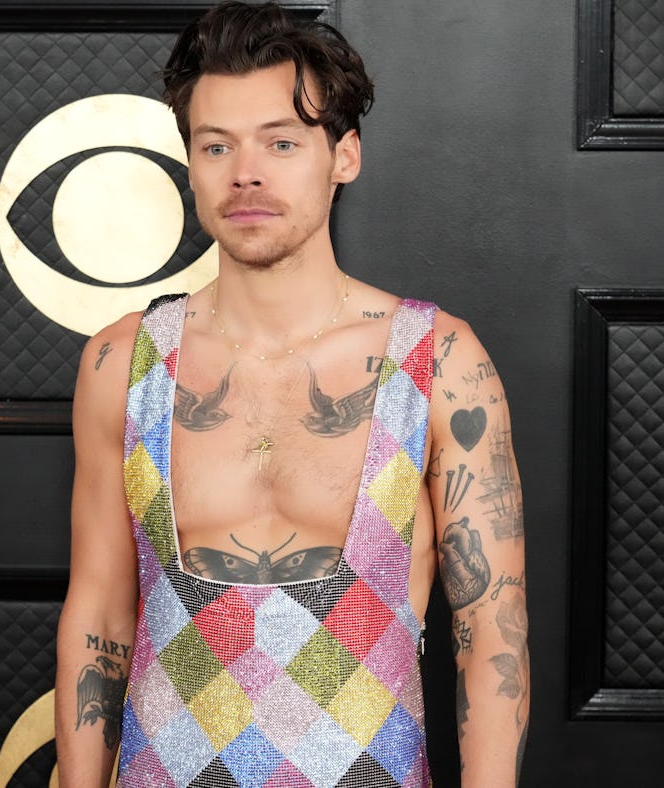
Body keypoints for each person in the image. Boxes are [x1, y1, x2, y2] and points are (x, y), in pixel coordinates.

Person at [55, 2, 529, 786]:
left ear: (344, 156)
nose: (247, 173)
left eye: (281, 142)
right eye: (217, 146)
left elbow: (492, 632)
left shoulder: (440, 361)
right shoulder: (122, 362)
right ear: (191, 165)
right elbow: (100, 614)